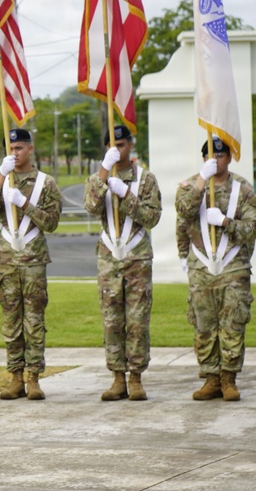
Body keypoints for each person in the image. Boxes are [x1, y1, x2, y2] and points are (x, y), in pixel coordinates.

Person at [174, 138, 256, 401]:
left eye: (221, 155)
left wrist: (226, 222)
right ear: (203, 159)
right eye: (211, 156)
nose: (216, 159)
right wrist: (202, 180)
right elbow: (183, 214)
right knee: (204, 325)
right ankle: (211, 378)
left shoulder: (243, 189)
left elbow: (253, 229)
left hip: (233, 266)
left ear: (229, 158)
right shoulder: (189, 185)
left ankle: (229, 378)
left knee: (233, 323)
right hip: (201, 267)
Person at [83, 124, 162, 401]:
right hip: (109, 258)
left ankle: (136, 377)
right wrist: (105, 174)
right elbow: (91, 207)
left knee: (138, 321)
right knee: (112, 321)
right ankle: (117, 378)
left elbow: (152, 218)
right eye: (112, 145)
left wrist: (126, 195)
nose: (118, 149)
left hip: (136, 256)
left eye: (122, 144)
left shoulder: (146, 179)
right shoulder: (98, 178)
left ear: (131, 144)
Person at [0, 128, 61, 400]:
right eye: (11, 148)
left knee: (34, 321)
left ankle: (33, 378)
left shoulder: (45, 183)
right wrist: (1, 177)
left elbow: (51, 223)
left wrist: (25, 204)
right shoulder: (3, 179)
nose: (15, 153)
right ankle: (15, 376)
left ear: (30, 149)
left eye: (19, 148)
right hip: (7, 260)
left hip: (33, 258)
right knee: (11, 321)